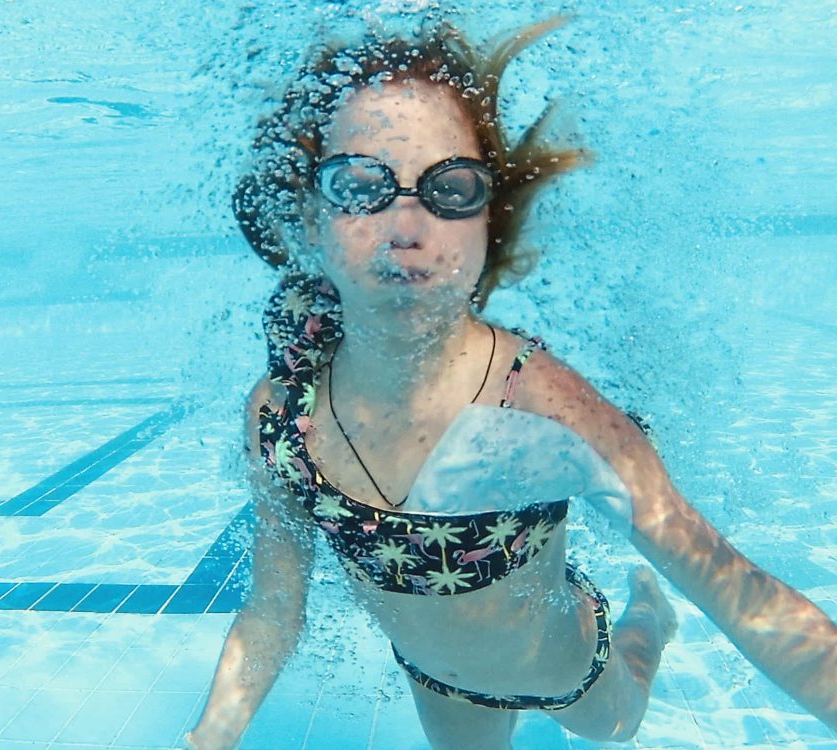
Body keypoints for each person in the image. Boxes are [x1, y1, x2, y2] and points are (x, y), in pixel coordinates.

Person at [184, 16, 837, 750]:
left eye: (451, 188)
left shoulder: (540, 398)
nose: (406, 224)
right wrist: (210, 734)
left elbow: (733, 588)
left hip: (568, 668)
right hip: (437, 682)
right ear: (309, 214)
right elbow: (275, 606)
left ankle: (647, 616)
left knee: (617, 730)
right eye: (361, 185)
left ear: (489, 220)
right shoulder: (281, 419)